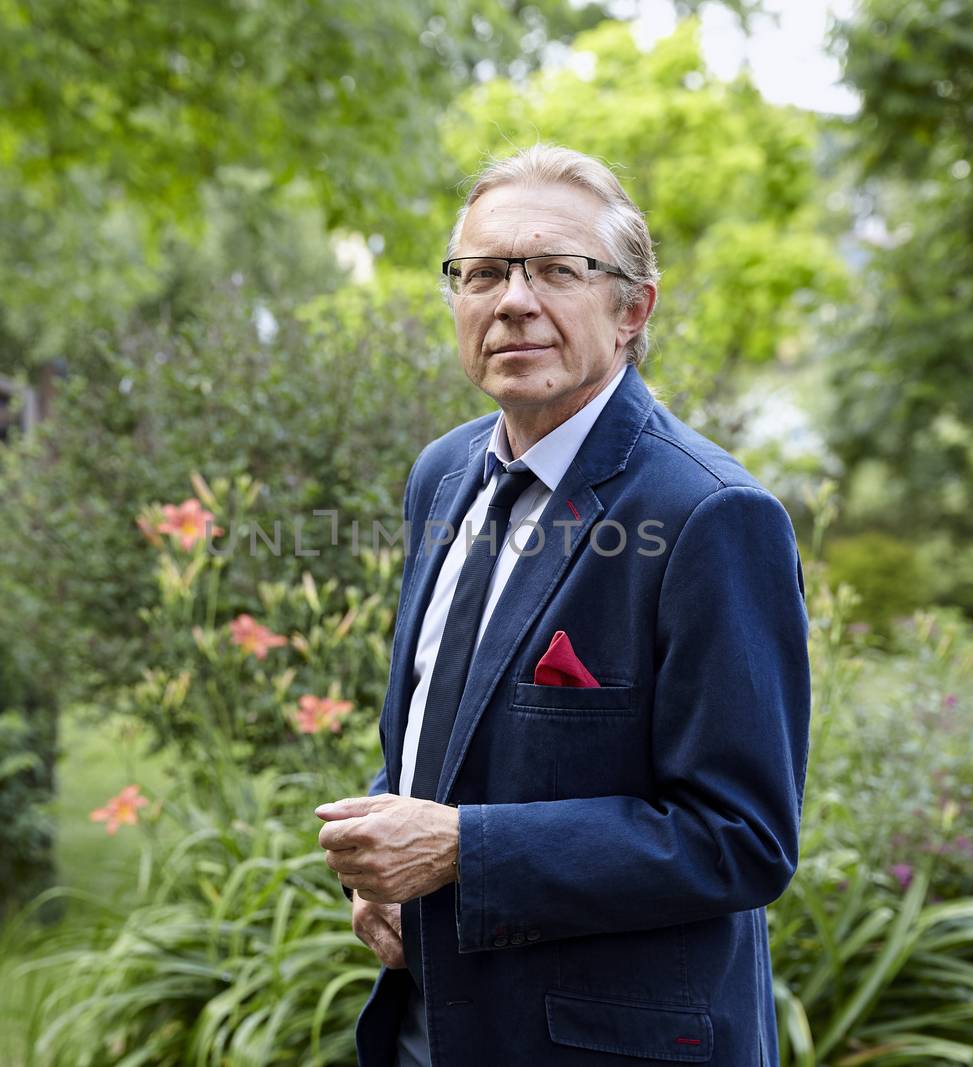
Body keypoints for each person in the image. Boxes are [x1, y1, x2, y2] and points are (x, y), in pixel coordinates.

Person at [315, 144, 811, 1067]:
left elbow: (742, 838)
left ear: (632, 310)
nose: (512, 299)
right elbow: (443, 730)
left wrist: (464, 848)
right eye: (483, 272)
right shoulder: (443, 476)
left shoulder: (710, 514)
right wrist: (392, 848)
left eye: (556, 270)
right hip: (434, 1028)